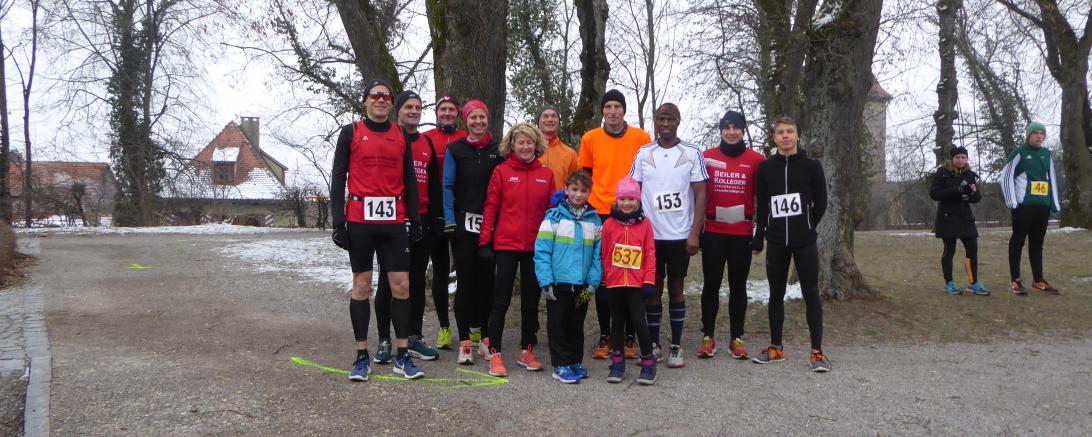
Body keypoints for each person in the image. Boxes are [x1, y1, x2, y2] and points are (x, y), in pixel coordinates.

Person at [330, 79, 425, 381]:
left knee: (401, 286)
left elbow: (409, 179)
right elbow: (338, 177)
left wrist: (415, 219)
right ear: (365, 101)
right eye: (375, 96)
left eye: (386, 96)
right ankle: (361, 356)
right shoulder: (351, 132)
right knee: (362, 285)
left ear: (391, 103)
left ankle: (403, 355)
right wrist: (338, 221)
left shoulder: (400, 134)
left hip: (394, 220)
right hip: (360, 220)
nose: (381, 100)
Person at [628, 103, 708, 368]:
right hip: (650, 235)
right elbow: (633, 191)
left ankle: (676, 345)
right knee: (651, 289)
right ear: (655, 122)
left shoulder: (692, 152)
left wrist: (694, 233)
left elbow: (701, 194)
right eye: (661, 119)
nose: (665, 124)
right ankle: (653, 345)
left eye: (670, 119)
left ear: (678, 122)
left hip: (679, 235)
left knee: (676, 288)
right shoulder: (643, 153)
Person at [750, 116, 830, 373]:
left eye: (790, 131)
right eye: (780, 132)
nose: (785, 136)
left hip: (804, 241)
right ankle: (776, 347)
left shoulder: (811, 166)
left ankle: (817, 351)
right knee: (775, 294)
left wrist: (808, 224)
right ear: (774, 138)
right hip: (776, 241)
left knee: (810, 293)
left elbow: (821, 201)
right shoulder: (765, 168)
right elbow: (763, 205)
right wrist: (759, 235)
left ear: (798, 135)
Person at [577, 89, 652, 360]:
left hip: (631, 212)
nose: (612, 112)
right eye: (607, 106)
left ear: (624, 110)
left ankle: (630, 335)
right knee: (605, 276)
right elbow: (584, 176)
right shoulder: (590, 138)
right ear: (602, 111)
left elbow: (648, 173)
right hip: (600, 213)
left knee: (630, 273)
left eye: (617, 106)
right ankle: (606, 334)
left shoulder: (641, 138)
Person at [478, 123, 555, 377]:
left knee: (531, 302)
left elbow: (552, 213)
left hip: (535, 247)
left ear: (536, 145)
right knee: (500, 301)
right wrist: (485, 242)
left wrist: (553, 245)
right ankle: (495, 353)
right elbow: (491, 207)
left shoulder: (546, 174)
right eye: (520, 142)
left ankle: (527, 350)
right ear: (512, 145)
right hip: (506, 245)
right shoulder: (502, 171)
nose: (525, 146)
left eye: (529, 142)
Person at [373, 91, 443, 364]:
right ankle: (384, 339)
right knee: (387, 282)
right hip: (391, 219)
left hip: (420, 220)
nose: (414, 111)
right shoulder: (388, 138)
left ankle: (413, 337)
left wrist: (435, 219)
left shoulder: (426, 143)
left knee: (416, 281)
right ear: (398, 111)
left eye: (418, 107)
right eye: (408, 107)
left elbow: (434, 184)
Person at [442, 99, 504, 365]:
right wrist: (449, 220)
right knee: (466, 282)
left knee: (487, 283)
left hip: (491, 224)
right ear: (465, 121)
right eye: (473, 117)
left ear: (488, 119)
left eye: (482, 117)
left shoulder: (499, 149)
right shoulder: (455, 149)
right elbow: (447, 186)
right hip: (463, 223)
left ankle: (485, 339)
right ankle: (465, 342)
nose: (478, 121)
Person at [699, 110, 764, 359]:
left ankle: (736, 337)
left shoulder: (756, 160)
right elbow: (697, 194)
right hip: (713, 231)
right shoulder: (706, 157)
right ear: (720, 131)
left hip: (741, 232)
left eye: (736, 127)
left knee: (738, 287)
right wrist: (697, 230)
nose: (731, 132)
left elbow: (763, 200)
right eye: (726, 127)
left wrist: (760, 234)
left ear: (743, 130)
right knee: (711, 285)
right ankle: (708, 336)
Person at [534, 170, 603, 384]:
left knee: (576, 324)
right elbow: (542, 251)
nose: (578, 194)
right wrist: (545, 281)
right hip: (559, 283)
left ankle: (574, 361)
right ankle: (560, 364)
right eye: (574, 189)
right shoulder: (553, 217)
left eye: (583, 190)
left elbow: (598, 255)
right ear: (566, 190)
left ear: (589, 192)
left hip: (582, 285)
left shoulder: (594, 220)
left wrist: (593, 281)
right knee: (558, 324)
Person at [600, 177, 657, 385]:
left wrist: (649, 280)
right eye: (622, 199)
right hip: (615, 283)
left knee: (639, 322)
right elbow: (604, 254)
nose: (626, 203)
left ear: (638, 200)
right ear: (617, 200)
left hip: (636, 283)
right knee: (617, 322)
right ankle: (617, 362)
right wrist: (604, 279)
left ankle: (648, 361)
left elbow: (650, 253)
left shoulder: (645, 224)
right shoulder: (608, 224)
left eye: (631, 199)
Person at [422, 94, 468, 349]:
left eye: (451, 109)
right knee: (440, 271)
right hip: (435, 210)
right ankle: (444, 327)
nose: (447, 113)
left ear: (457, 113)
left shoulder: (465, 138)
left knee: (465, 271)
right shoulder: (427, 138)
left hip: (460, 209)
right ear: (437, 113)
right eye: (443, 109)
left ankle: (470, 326)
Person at [1001, 122, 1061, 296]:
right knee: (1017, 242)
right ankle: (1015, 281)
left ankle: (1038, 280)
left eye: (1042, 133)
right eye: (1036, 133)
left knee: (1037, 243)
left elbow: (1052, 178)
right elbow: (1005, 176)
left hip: (1042, 206)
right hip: (1023, 205)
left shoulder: (1046, 154)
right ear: (1029, 135)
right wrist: (1012, 201)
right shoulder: (1019, 152)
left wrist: (1054, 203)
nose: (1039, 136)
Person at [930, 146, 987, 296]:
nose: (960, 160)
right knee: (950, 250)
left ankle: (973, 283)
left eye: (963, 157)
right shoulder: (943, 172)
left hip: (965, 218)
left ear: (966, 159)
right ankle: (949, 283)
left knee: (972, 249)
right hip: (947, 217)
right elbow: (934, 194)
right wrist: (959, 190)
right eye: (957, 158)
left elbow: (976, 198)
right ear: (952, 159)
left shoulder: (970, 174)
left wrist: (973, 193)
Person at [537, 104, 579, 190]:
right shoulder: (528, 151)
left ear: (559, 122)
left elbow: (576, 186)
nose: (550, 119)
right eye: (545, 116)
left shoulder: (570, 154)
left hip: (560, 198)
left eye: (554, 116)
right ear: (538, 122)